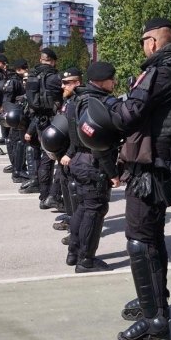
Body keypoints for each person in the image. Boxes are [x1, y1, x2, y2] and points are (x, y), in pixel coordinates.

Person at [95, 18, 171, 340]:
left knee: (139, 240)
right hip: (160, 163)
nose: (143, 48)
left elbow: (126, 116)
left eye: (143, 42)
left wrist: (108, 105)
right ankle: (155, 301)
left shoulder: (159, 73)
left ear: (152, 42)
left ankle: (155, 321)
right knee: (153, 238)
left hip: (148, 169)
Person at [67, 61, 120, 273]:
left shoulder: (77, 99)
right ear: (103, 81)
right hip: (93, 163)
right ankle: (86, 260)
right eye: (112, 79)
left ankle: (73, 252)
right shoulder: (101, 103)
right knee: (95, 210)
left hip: (78, 159)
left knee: (82, 207)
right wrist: (112, 173)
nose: (114, 82)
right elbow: (100, 145)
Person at [21, 47, 63, 196]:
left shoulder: (31, 77)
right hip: (55, 120)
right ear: (53, 61)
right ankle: (54, 195)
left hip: (38, 120)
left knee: (45, 157)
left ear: (41, 60)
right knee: (55, 157)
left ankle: (43, 194)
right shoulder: (55, 78)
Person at [50, 68, 83, 228]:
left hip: (73, 154)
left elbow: (77, 134)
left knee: (74, 189)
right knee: (65, 185)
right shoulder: (68, 101)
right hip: (63, 152)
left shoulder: (80, 102)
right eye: (62, 83)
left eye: (67, 83)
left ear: (77, 83)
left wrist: (70, 153)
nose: (63, 86)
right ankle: (71, 218)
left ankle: (76, 226)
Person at [2, 59, 29, 183]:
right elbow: (8, 101)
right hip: (16, 116)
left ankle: (17, 167)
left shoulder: (12, 80)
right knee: (18, 142)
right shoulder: (15, 82)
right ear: (20, 69)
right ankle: (18, 170)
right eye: (25, 69)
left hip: (14, 116)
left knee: (14, 141)